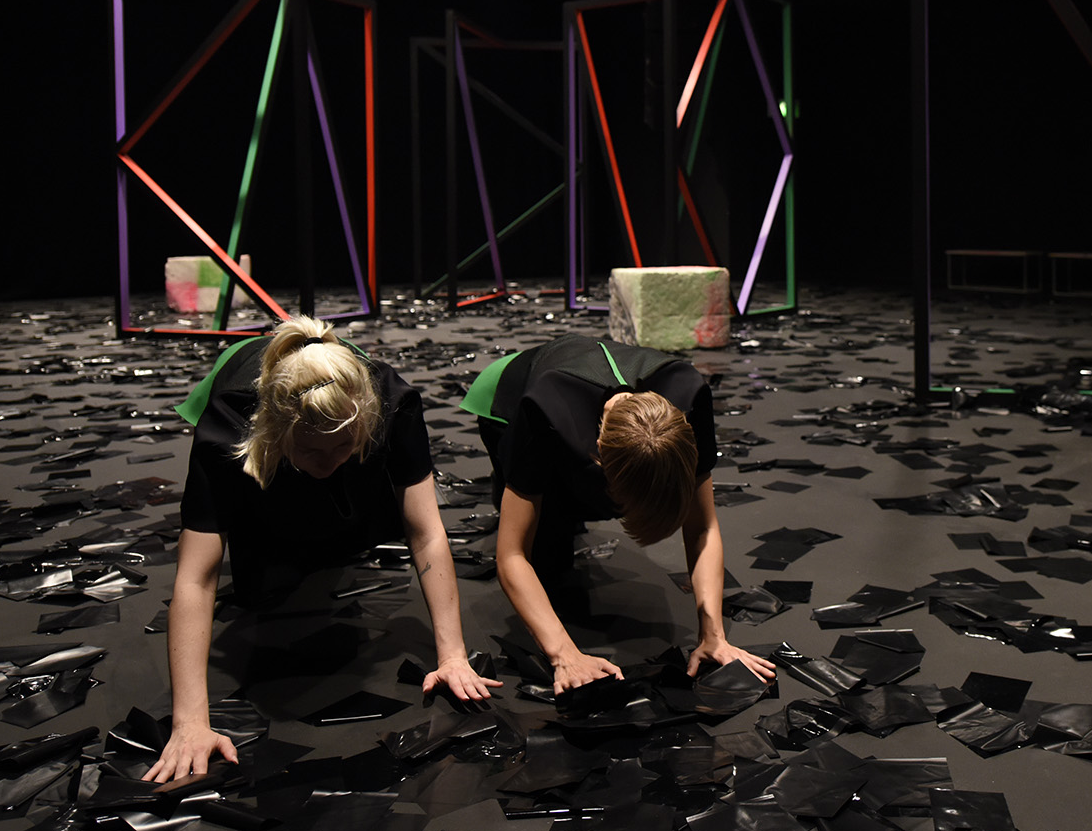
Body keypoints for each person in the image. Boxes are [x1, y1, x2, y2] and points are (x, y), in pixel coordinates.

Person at [144, 316, 499, 783]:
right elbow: (197, 576)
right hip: (254, 424)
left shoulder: (393, 404)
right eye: (314, 452)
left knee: (343, 517)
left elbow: (426, 532)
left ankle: (331, 460)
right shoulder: (231, 421)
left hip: (337, 419)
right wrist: (189, 722)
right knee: (266, 573)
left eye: (342, 447)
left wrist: (452, 655)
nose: (330, 463)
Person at [461, 334, 776, 694]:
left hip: (590, 401)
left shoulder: (689, 398)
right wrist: (564, 655)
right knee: (548, 553)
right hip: (507, 393)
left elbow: (702, 527)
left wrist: (714, 636)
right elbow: (512, 554)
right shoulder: (544, 408)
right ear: (596, 454)